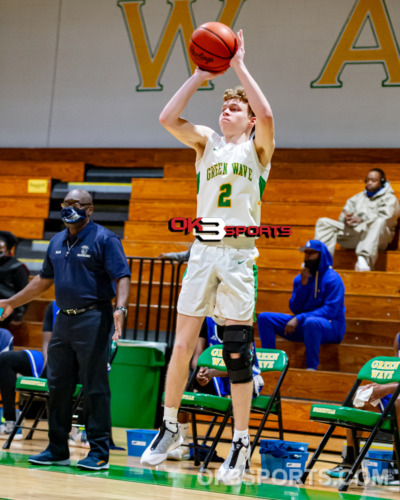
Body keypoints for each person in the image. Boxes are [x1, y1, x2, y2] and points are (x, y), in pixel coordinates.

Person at [141, 29, 275, 485]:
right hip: (202, 252)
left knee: (237, 353)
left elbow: (270, 112)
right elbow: (166, 117)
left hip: (238, 257)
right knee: (181, 345)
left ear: (250, 119)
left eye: (235, 108)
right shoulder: (206, 143)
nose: (226, 111)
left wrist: (238, 64)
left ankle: (239, 442)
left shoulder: (258, 150)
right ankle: (170, 426)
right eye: (223, 106)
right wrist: (199, 75)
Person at [0, 189, 131, 471]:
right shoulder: (57, 240)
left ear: (90, 209)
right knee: (57, 386)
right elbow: (43, 281)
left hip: (94, 318)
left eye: (76, 204)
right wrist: (11, 301)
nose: (70, 208)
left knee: (95, 387)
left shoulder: (104, 238)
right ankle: (57, 448)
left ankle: (98, 452)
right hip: (64, 320)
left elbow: (121, 276)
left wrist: (120, 309)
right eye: (66, 203)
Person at [168, 317, 264, 461]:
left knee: (239, 383)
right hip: (215, 377)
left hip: (246, 378)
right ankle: (182, 445)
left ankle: (240, 448)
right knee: (184, 392)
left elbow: (244, 364)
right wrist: (201, 370)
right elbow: (197, 358)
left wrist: (213, 372)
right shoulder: (207, 321)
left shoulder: (241, 320)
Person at [257, 240, 346, 370]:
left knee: (312, 322)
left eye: (312, 253)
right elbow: (294, 308)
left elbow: (330, 311)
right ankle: (269, 364)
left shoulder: (333, 278)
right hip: (305, 325)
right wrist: (302, 286)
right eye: (306, 253)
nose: (307, 256)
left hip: (332, 327)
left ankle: (311, 369)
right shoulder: (300, 278)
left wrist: (299, 318)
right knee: (264, 318)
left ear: (322, 256)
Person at [326, 332, 400, 486]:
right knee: (362, 398)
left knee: (399, 403)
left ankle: (397, 467)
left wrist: (386, 388)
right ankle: (350, 462)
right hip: (396, 389)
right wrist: (378, 386)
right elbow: (397, 371)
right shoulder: (398, 337)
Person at [315, 169, 399, 271]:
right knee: (323, 222)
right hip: (356, 234)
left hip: (378, 238)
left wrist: (362, 219)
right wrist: (346, 220)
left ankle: (364, 261)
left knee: (379, 221)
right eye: (367, 180)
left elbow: (387, 219)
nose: (369, 183)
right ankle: (321, 261)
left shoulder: (390, 199)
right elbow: (343, 215)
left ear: (382, 181)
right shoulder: (356, 198)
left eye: (373, 180)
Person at [0, 301, 57, 439]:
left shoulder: (3, 335)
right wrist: (47, 366)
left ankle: (80, 429)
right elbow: (46, 343)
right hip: (48, 359)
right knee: (6, 359)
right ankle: (10, 421)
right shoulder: (53, 305)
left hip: (72, 362)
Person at [0, 231, 29, 326]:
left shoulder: (18, 267)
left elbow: (24, 292)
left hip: (5, 307)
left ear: (8, 250)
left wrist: (20, 314)